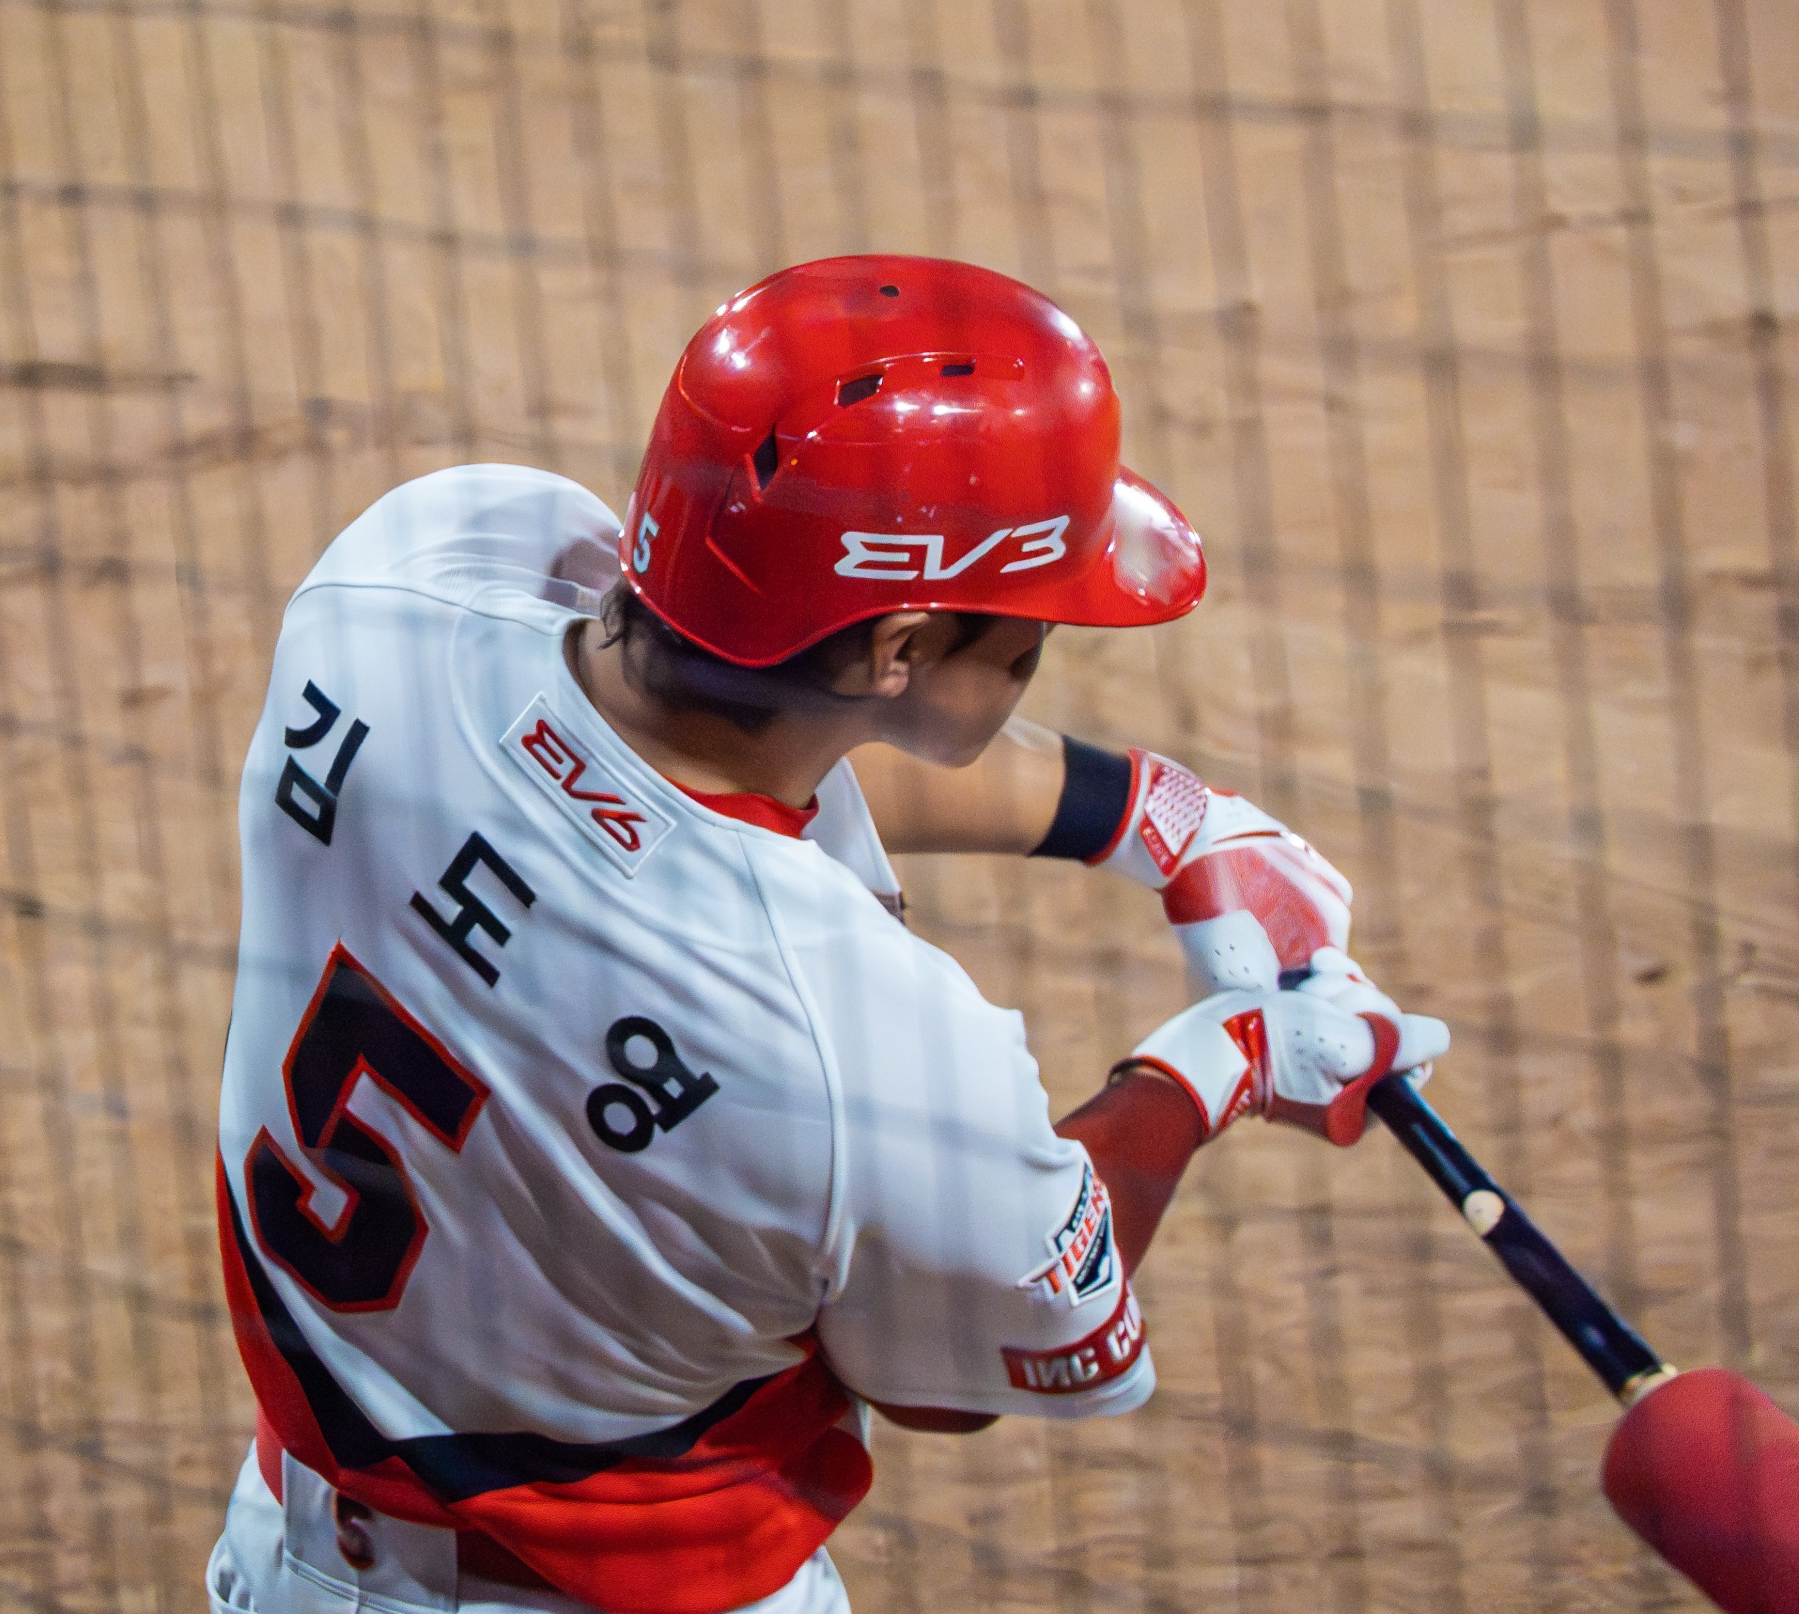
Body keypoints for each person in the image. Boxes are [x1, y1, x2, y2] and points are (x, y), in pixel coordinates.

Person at [206, 256, 1447, 1614]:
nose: (1038, 651)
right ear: (897, 648)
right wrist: (1226, 1060)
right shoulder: (859, 1038)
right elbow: (967, 1370)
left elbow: (715, 746)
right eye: (1025, 639)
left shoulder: (402, 580)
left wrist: (1157, 816)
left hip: (285, 1550)